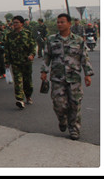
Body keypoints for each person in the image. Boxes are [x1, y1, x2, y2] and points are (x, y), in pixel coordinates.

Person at [40, 13, 94, 141]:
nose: (59, 24)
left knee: (75, 104)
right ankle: (62, 119)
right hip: (57, 78)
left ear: (69, 23)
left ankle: (74, 129)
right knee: (59, 104)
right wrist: (44, 71)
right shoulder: (51, 40)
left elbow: (84, 58)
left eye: (62, 22)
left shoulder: (79, 40)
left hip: (74, 78)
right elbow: (47, 56)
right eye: (58, 22)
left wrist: (87, 74)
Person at [4, 15, 36, 109]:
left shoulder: (27, 33)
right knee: (18, 81)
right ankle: (20, 99)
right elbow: (7, 49)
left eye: (17, 22)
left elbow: (32, 46)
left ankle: (28, 96)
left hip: (26, 62)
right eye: (14, 23)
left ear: (22, 24)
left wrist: (32, 55)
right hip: (15, 62)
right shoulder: (10, 35)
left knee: (27, 81)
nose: (15, 24)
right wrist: (7, 61)